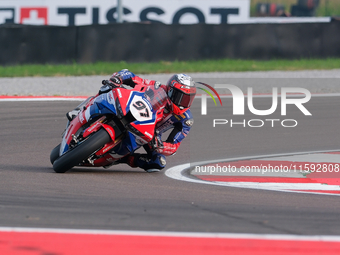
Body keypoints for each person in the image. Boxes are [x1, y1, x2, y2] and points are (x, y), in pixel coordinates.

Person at [68, 69, 196, 172]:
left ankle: (121, 159)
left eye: (188, 99)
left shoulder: (185, 120)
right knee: (107, 89)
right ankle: (80, 110)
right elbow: (132, 76)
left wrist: (160, 146)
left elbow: (174, 146)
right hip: (133, 112)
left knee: (158, 163)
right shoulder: (157, 87)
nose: (183, 103)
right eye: (181, 97)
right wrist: (118, 78)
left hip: (150, 136)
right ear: (171, 91)